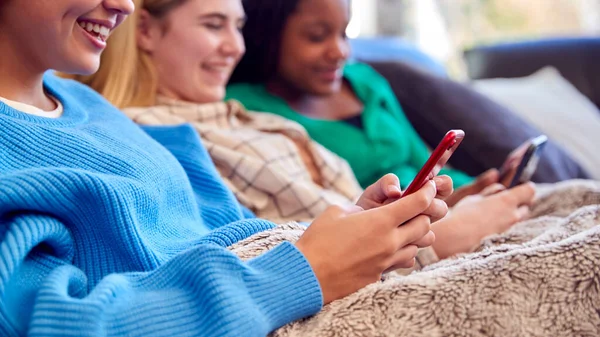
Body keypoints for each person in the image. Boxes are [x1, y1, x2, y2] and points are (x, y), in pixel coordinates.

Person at [0, 0, 452, 335]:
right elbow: (57, 325)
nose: (124, 5)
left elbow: (230, 230)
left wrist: (345, 236)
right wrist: (302, 270)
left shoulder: (87, 105)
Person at [68, 0, 536, 262]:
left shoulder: (249, 119)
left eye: (238, 27)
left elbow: (346, 211)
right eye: (214, 25)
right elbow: (259, 251)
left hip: (405, 244)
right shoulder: (151, 136)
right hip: (395, 261)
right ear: (145, 29)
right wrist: (446, 237)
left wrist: (435, 209)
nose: (234, 47)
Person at [226, 0, 508, 206]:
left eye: (344, 34)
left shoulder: (365, 81)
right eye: (317, 36)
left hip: (450, 203)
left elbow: (425, 163)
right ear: (267, 36)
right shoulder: (242, 108)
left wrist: (482, 186)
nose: (340, 52)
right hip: (387, 221)